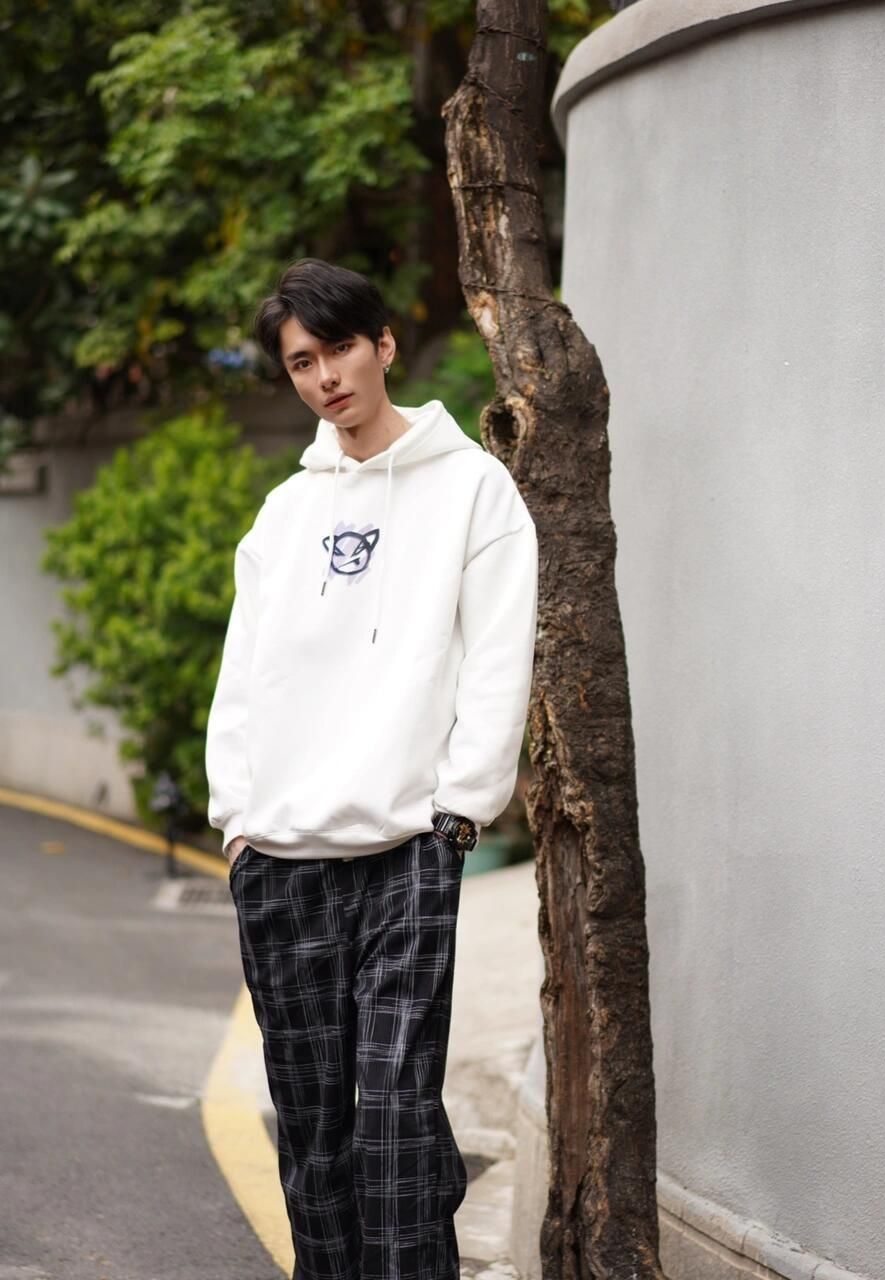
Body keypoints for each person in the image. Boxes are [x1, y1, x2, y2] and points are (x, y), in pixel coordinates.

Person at [204, 258, 539, 1280]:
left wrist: (460, 813)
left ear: (384, 345)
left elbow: (496, 660)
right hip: (282, 861)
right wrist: (238, 820)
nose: (325, 377)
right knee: (313, 1136)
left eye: (341, 348)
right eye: (301, 361)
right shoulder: (284, 514)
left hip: (405, 853)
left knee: (394, 1121)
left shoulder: (472, 491)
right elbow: (242, 676)